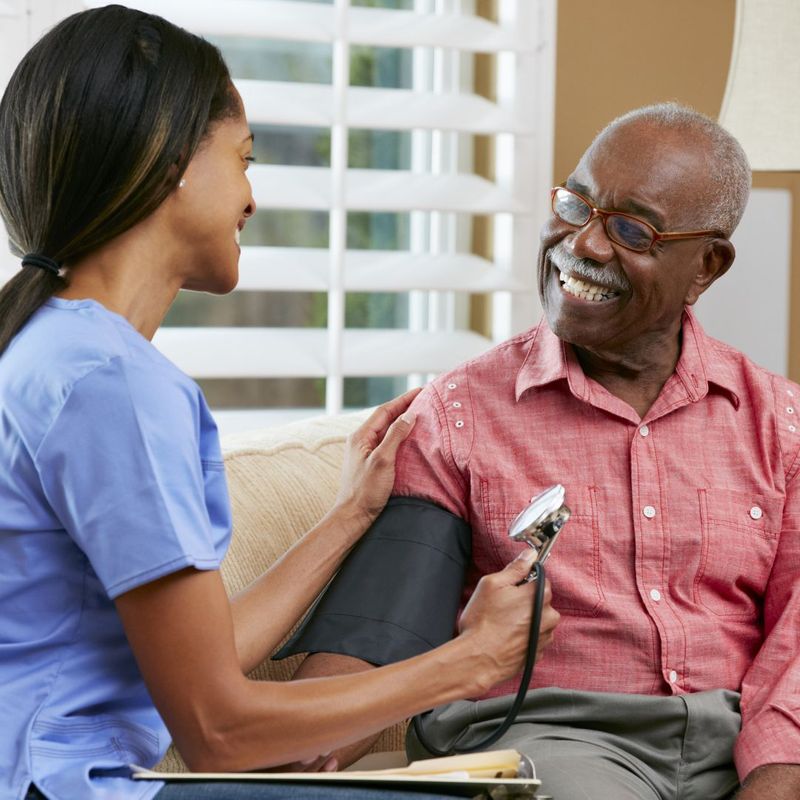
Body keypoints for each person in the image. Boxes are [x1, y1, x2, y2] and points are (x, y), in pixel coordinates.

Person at [0, 6, 561, 800]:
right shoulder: (111, 386)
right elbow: (219, 731)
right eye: (244, 158)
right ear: (170, 166)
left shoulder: (56, 351)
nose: (252, 199)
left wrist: (349, 515)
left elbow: (209, 656)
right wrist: (469, 663)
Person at [291, 103, 800, 800]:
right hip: (557, 747)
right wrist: (291, 743)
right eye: (574, 203)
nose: (584, 245)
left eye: (630, 229)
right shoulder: (458, 417)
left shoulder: (782, 425)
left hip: (743, 745)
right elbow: (369, 651)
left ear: (706, 265)